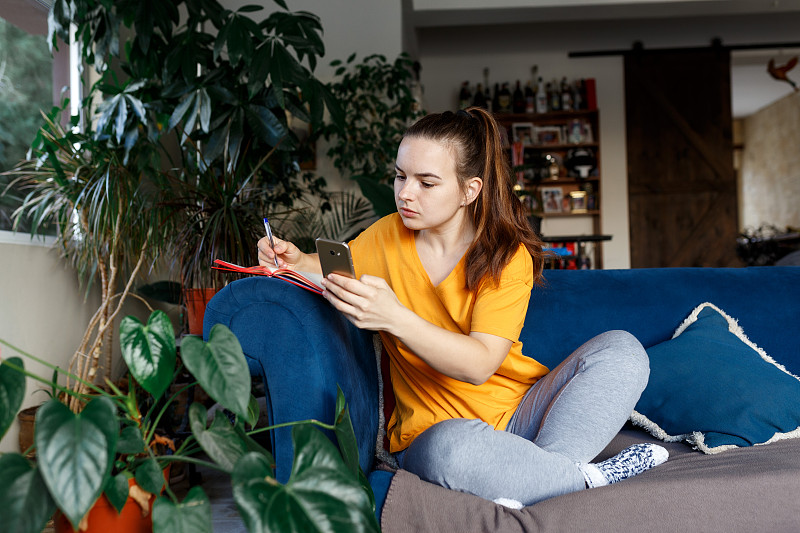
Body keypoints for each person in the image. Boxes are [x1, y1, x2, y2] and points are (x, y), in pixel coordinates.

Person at [257, 107, 667, 507]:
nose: (405, 193)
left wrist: (394, 317)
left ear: (470, 190)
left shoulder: (506, 255)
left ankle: (546, 474)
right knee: (449, 451)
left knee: (622, 350)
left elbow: (479, 365)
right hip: (435, 433)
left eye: (427, 183)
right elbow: (330, 272)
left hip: (521, 415)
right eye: (400, 176)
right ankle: (575, 478)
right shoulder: (385, 236)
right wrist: (294, 262)